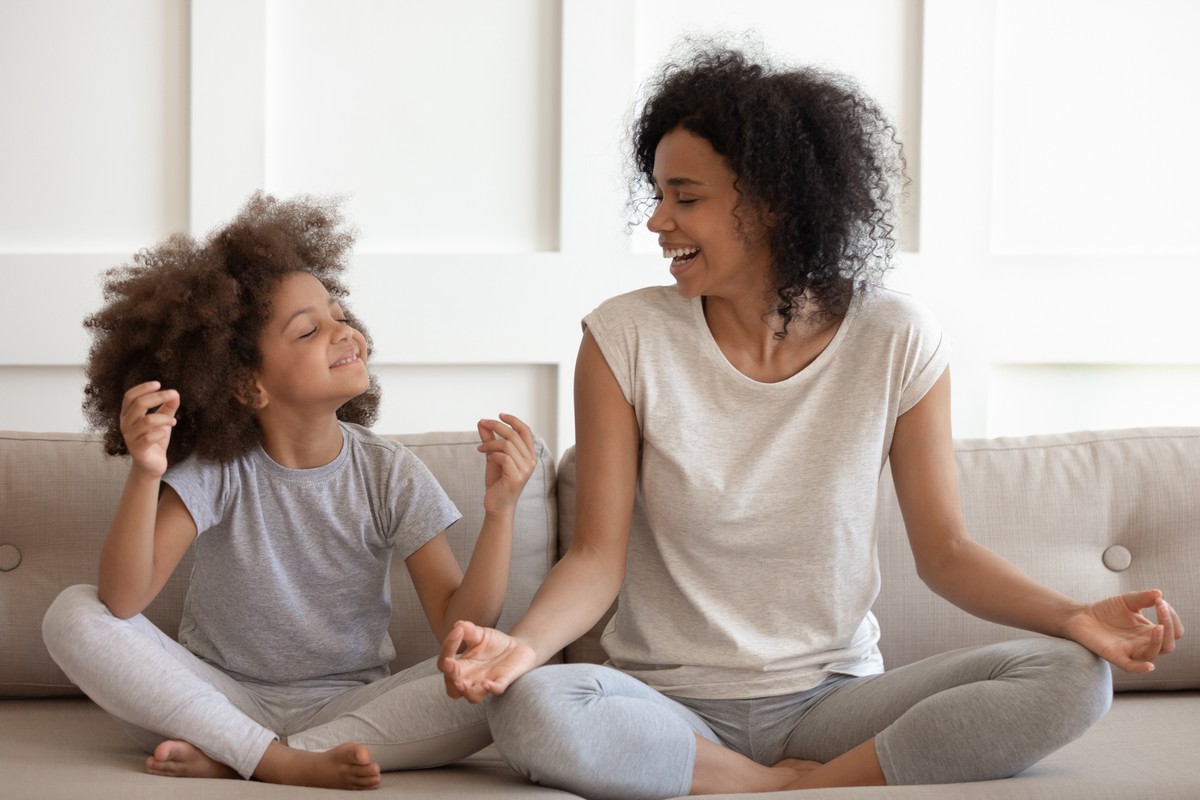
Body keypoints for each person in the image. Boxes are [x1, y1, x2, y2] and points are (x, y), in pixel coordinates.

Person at [437, 42, 1185, 799]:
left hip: (835, 700)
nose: (659, 221)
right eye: (657, 195)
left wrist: (1075, 617)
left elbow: (949, 551)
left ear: (773, 202)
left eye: (685, 197)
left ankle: (787, 780)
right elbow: (596, 558)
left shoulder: (898, 338)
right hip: (667, 705)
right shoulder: (623, 338)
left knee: (1070, 675)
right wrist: (520, 650)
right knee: (530, 703)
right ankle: (787, 784)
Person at [41, 192, 538, 790]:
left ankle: (244, 757)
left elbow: (460, 630)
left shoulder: (390, 471)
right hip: (211, 700)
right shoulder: (217, 470)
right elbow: (123, 601)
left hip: (348, 711)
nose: (340, 329)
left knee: (503, 671)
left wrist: (501, 512)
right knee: (73, 612)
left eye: (336, 312)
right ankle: (278, 760)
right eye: (308, 331)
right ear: (249, 386)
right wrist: (147, 471)